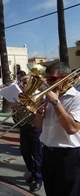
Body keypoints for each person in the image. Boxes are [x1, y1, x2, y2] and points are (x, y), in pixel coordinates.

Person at [34, 61, 80, 196]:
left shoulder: (77, 98)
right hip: (48, 153)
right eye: (46, 78)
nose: (47, 82)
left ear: (67, 77)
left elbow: (72, 128)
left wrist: (55, 102)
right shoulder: (47, 96)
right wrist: (40, 111)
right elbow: (38, 126)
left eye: (52, 79)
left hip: (69, 156)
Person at [13, 75, 42, 192]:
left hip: (35, 129)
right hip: (24, 128)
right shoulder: (21, 97)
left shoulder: (40, 95)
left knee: (37, 155)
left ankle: (39, 179)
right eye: (22, 82)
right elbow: (17, 119)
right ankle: (33, 172)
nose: (24, 85)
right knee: (24, 152)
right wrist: (15, 109)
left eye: (26, 82)